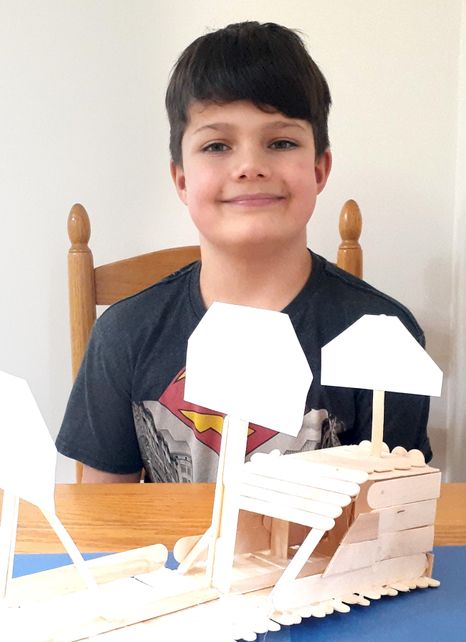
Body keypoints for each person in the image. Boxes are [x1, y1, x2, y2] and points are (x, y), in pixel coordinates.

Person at [56, 21, 431, 483]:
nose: (250, 165)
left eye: (281, 142)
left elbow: (392, 516)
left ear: (319, 170)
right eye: (217, 145)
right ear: (181, 180)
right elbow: (100, 520)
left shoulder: (383, 339)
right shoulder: (124, 336)